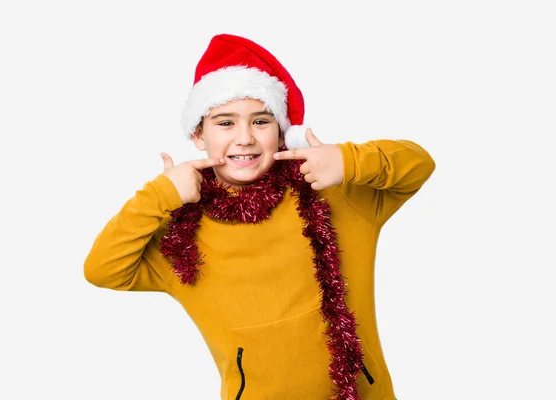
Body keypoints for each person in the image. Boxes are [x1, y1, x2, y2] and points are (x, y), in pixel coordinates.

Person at [84, 33, 436, 400]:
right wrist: (161, 195)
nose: (245, 138)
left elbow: (419, 164)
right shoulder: (180, 238)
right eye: (225, 123)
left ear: (282, 132)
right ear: (198, 135)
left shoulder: (335, 194)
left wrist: (349, 161)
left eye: (261, 121)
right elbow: (102, 268)